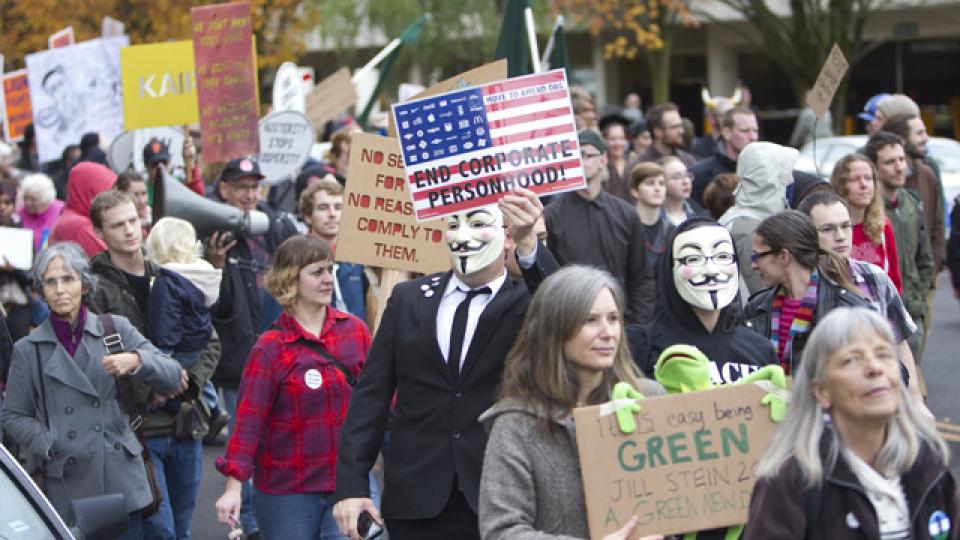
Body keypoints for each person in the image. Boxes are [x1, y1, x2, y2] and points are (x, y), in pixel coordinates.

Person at [333, 199, 560, 540]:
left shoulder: (529, 304)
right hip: (416, 498)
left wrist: (531, 244)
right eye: (452, 226)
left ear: (507, 238)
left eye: (477, 223)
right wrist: (352, 486)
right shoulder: (407, 299)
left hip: (499, 496)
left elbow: (565, 312)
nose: (461, 234)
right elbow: (371, 397)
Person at [1, 242, 182, 534]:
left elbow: (173, 376)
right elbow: (13, 415)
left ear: (85, 285)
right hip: (68, 485)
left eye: (68, 279)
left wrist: (137, 360)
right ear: (40, 290)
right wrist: (48, 441)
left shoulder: (115, 329)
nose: (60, 289)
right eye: (50, 281)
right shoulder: (28, 350)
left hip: (120, 481)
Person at [477, 266, 665, 540]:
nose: (608, 333)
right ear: (554, 329)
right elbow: (501, 531)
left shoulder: (648, 400)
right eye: (590, 320)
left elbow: (678, 501)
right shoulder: (516, 424)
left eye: (613, 319)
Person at [743, 307, 957, 539]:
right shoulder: (791, 483)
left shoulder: (929, 466)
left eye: (884, 355)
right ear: (822, 391)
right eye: (852, 360)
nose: (875, 368)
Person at [215, 235, 376, 539]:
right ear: (290, 279)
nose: (329, 279)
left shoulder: (355, 332)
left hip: (348, 484)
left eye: (330, 269)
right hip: (287, 492)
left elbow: (382, 403)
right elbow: (249, 423)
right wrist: (233, 488)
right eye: (318, 272)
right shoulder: (270, 348)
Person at [87, 190, 223, 540]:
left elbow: (209, 340)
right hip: (137, 429)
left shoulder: (171, 268)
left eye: (133, 220)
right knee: (158, 531)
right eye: (118, 225)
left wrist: (184, 379)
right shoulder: (95, 289)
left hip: (185, 422)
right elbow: (99, 361)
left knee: (182, 528)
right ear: (100, 234)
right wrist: (155, 387)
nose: (130, 231)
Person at [797, 190, 927, 412]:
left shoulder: (874, 276)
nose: (840, 236)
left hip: (877, 398)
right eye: (828, 229)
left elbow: (899, 341)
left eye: (845, 226)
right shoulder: (798, 283)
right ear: (806, 234)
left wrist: (915, 400)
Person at [631, 218, 778, 383]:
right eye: (693, 259)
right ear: (670, 269)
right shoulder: (643, 345)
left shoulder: (760, 349)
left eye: (722, 256)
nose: (711, 270)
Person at [543, 129, 656, 324]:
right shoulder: (552, 215)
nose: (579, 160)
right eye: (572, 155)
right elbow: (547, 279)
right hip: (571, 323)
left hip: (621, 323)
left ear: (603, 160)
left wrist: (638, 328)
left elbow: (641, 277)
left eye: (585, 154)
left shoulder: (625, 213)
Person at [743, 210, 871, 373]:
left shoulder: (849, 308)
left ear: (784, 256)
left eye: (757, 257)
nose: (753, 265)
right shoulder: (756, 309)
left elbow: (891, 370)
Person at [146, 217, 225, 425]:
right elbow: (213, 305)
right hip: (199, 339)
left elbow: (167, 319)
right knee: (200, 378)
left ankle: (182, 408)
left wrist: (164, 352)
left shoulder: (168, 281)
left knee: (168, 385)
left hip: (178, 345)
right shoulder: (202, 273)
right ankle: (215, 408)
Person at [865, 131, 933, 361]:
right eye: (890, 162)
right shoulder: (865, 209)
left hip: (911, 313)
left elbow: (925, 259)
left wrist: (918, 299)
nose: (899, 167)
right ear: (874, 167)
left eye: (902, 160)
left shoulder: (912, 204)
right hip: (877, 317)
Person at [719, 141, 798, 296]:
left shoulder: (749, 219)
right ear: (769, 179)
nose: (792, 179)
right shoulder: (747, 228)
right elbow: (762, 293)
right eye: (786, 173)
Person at [829, 153, 903, 292]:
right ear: (841, 184)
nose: (864, 185)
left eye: (868, 178)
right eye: (855, 179)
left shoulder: (883, 226)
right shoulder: (829, 230)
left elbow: (894, 282)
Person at [299, 177, 370, 321]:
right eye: (323, 207)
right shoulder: (295, 258)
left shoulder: (358, 257)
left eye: (338, 207)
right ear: (307, 216)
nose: (332, 214)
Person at [690, 106, 760, 205]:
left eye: (755, 131)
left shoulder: (764, 171)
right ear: (727, 133)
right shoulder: (700, 173)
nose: (753, 137)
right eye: (745, 131)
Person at [49, 161, 116, 257]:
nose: (112, 199)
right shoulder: (79, 226)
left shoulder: (73, 217)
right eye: (107, 192)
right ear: (92, 193)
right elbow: (116, 261)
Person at [0, 179, 33, 342]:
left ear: (14, 205)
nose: (2, 207)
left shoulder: (23, 236)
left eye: (7, 202)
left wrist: (13, 269)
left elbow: (30, 278)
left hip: (17, 305)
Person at [628, 162, 673, 281]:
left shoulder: (672, 231)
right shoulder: (623, 229)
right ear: (635, 191)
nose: (657, 188)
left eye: (662, 184)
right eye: (650, 183)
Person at [633, 102, 696, 168]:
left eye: (680, 125)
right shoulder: (639, 165)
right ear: (657, 132)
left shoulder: (688, 161)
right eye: (674, 127)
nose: (681, 131)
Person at [18, 173, 65, 253]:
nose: (27, 203)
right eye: (25, 198)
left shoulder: (61, 210)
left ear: (45, 200)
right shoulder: (20, 212)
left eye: (33, 199)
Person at [659, 156, 704, 226]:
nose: (686, 181)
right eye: (677, 177)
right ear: (662, 182)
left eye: (687, 175)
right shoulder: (654, 217)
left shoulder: (698, 213)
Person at [601, 114, 633, 201]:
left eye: (621, 138)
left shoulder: (631, 165)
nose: (618, 143)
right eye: (612, 139)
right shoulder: (600, 167)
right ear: (604, 140)